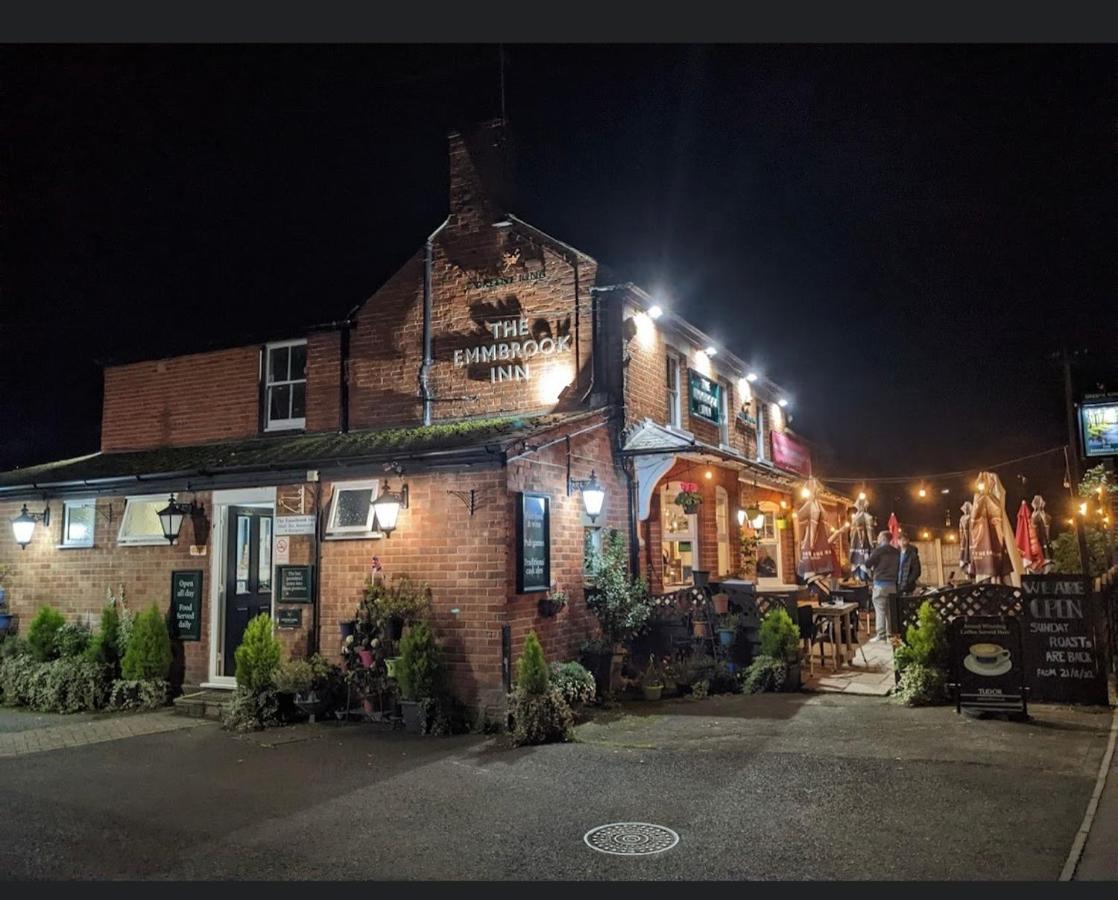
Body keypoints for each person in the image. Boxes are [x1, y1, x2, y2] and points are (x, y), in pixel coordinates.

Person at [865, 530, 900, 642]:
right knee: (890, 610)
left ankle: (881, 635)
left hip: (880, 583)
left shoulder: (879, 551)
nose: (878, 539)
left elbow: (867, 563)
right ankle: (890, 633)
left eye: (879, 537)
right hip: (892, 584)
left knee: (880, 609)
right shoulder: (896, 552)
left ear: (884, 538)